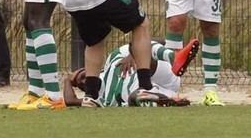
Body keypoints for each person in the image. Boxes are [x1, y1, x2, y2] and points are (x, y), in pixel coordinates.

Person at [63, 40, 198, 107]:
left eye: (83, 76)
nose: (85, 81)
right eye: (83, 85)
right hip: (151, 90)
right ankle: (168, 100)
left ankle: (174, 58)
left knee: (137, 45)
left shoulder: (113, 58)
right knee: (135, 97)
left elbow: (159, 40)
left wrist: (133, 55)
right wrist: (67, 81)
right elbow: (70, 101)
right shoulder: (98, 99)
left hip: (161, 73)